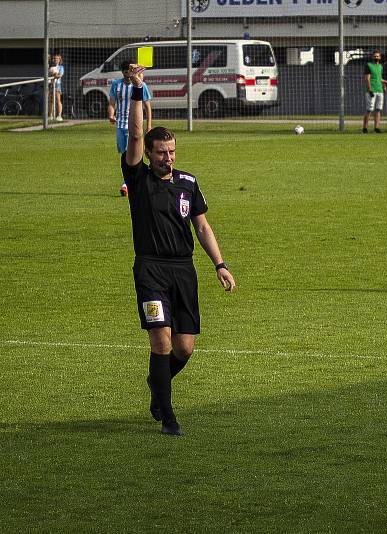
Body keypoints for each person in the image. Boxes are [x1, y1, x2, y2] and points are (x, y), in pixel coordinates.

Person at [122, 64, 236, 436]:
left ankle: (158, 383)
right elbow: (137, 133)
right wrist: (138, 90)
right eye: (161, 153)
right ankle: (167, 415)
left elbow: (201, 225)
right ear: (150, 154)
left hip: (183, 270)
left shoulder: (188, 182)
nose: (167, 158)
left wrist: (219, 264)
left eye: (171, 151)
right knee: (161, 339)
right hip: (151, 270)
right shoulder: (137, 178)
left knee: (184, 349)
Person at [109, 61, 153, 197]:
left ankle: (126, 184)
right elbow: (112, 103)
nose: (129, 72)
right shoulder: (117, 85)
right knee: (124, 154)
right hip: (120, 125)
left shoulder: (141, 85)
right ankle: (131, 181)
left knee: (131, 153)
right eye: (127, 70)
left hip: (134, 126)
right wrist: (111, 114)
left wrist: (149, 125)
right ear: (123, 72)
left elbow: (147, 106)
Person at [362, 50, 385, 134]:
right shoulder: (368, 65)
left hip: (380, 90)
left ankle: (377, 128)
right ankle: (365, 128)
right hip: (372, 91)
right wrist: (370, 89)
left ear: (380, 57)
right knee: (369, 110)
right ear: (372, 57)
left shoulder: (381, 67)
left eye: (377, 56)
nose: (376, 57)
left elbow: (380, 78)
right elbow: (367, 78)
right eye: (375, 56)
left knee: (378, 109)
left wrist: (385, 85)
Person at [49, 54, 64, 121]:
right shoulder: (51, 67)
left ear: (59, 60)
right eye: (55, 58)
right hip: (51, 85)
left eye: (57, 58)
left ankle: (59, 116)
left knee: (58, 100)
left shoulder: (61, 67)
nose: (56, 59)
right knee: (51, 100)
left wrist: (55, 74)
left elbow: (60, 75)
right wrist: (53, 74)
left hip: (57, 85)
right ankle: (50, 115)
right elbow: (49, 75)